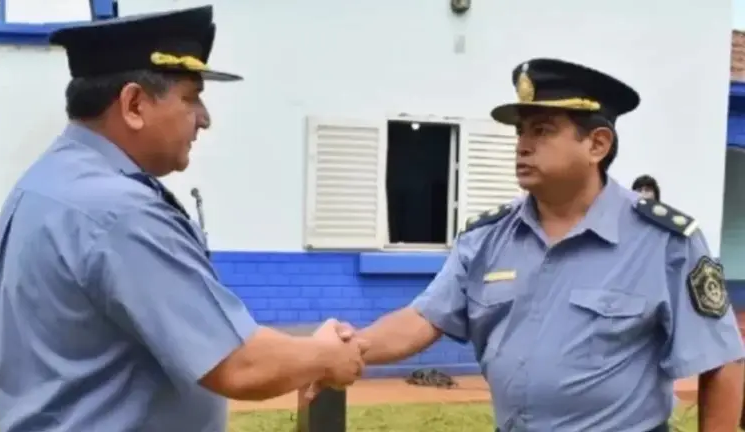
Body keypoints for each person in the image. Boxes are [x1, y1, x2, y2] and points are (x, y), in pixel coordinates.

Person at [0, 6, 366, 432]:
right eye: (190, 97)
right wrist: (326, 355)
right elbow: (239, 365)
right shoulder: (118, 211)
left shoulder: (47, 183)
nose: (204, 118)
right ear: (133, 104)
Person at [316, 58, 745, 430]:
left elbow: (722, 362)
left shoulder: (665, 243)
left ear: (597, 144)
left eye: (542, 131)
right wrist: (344, 349)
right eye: (521, 132)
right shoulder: (487, 237)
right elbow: (423, 319)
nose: (522, 145)